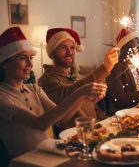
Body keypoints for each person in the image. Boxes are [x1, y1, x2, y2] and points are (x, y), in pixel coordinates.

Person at [0, 27, 106, 158]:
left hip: (49, 153)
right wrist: (80, 93)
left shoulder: (34, 89)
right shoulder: (3, 96)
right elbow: (40, 123)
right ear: (4, 63)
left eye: (31, 58)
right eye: (22, 58)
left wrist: (84, 96)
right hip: (23, 160)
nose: (30, 64)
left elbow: (62, 119)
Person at [38, 28, 119, 136]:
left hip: (95, 133)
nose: (69, 52)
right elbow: (67, 93)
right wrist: (104, 68)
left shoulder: (79, 76)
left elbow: (93, 107)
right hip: (72, 138)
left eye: (72, 47)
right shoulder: (46, 80)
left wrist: (105, 121)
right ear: (52, 53)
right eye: (63, 48)